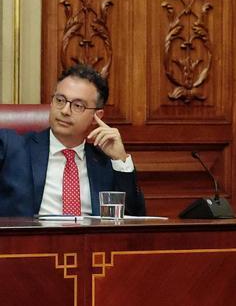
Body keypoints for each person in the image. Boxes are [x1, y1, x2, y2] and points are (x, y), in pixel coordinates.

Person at [0, 64, 146, 217]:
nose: (64, 111)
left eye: (78, 105)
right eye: (60, 100)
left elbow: (135, 218)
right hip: (34, 240)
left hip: (91, 240)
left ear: (97, 116)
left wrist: (120, 159)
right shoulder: (14, 148)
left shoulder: (105, 163)